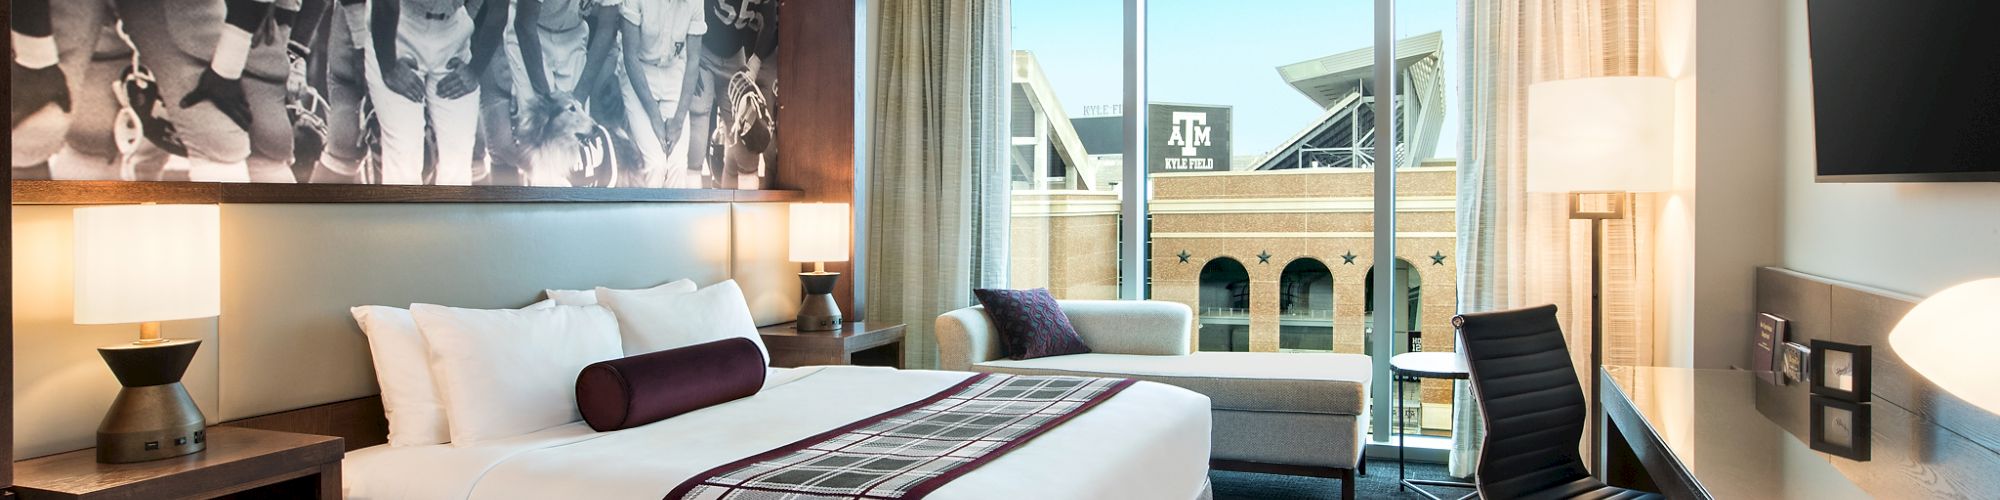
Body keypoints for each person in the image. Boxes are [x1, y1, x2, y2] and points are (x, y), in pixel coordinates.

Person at [366, 0, 505, 185]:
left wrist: (475, 70)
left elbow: (499, 9)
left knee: (458, 157)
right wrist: (388, 66)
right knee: (404, 154)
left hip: (452, 29)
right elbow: (385, 4)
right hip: (400, 26)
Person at [683, 0, 775, 189]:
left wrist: (755, 63)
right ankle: (692, 197)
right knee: (699, 119)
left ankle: (747, 204)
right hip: (704, 51)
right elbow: (689, 10)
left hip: (735, 57)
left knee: (745, 129)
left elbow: (770, 23)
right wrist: (691, 57)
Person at [614, 0, 704, 188]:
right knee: (655, 163)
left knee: (678, 165)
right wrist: (655, 116)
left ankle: (672, 209)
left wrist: (678, 120)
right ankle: (646, 208)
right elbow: (630, 56)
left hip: (674, 70)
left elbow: (693, 60)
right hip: (639, 70)